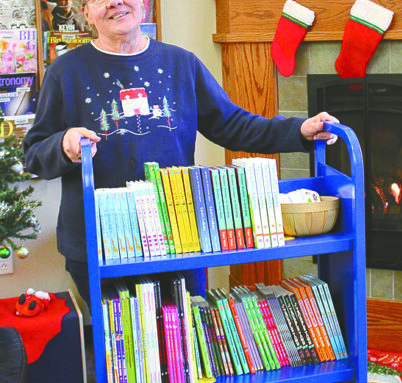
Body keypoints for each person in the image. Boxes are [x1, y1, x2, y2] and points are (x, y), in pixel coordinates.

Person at [23, 0, 339, 310]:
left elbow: (234, 125)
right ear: (87, 12)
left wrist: (299, 131)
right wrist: (64, 144)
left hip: (179, 236)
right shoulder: (65, 72)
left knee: (183, 348)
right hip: (98, 242)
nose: (115, 3)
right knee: (122, 355)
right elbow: (34, 155)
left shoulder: (181, 64)